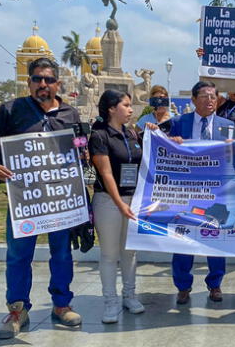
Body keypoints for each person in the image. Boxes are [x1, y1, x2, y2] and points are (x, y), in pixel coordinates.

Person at [0, 57, 82, 339]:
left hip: (60, 200)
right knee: (18, 256)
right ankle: (17, 309)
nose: (43, 84)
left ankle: (61, 305)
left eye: (48, 79)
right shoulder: (11, 110)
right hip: (25, 201)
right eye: (37, 78)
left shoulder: (70, 114)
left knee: (62, 253)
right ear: (29, 82)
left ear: (57, 83)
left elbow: (79, 144)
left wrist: (81, 152)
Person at [165, 81, 234, 304]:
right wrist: (170, 142)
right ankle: (183, 286)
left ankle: (215, 284)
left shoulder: (227, 125)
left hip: (217, 193)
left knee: (215, 239)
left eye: (214, 95)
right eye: (204, 95)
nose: (210, 99)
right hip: (187, 192)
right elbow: (163, 150)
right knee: (183, 239)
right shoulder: (178, 122)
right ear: (193, 100)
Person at [88, 90, 145, 323]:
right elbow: (106, 173)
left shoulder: (131, 133)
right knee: (110, 254)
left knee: (129, 252)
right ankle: (110, 301)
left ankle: (129, 295)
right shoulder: (100, 135)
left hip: (132, 200)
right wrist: (120, 204)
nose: (131, 110)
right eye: (127, 105)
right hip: (109, 202)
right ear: (112, 108)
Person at [196, 47, 235, 130]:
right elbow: (207, 86)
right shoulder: (221, 102)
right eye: (233, 86)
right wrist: (204, 58)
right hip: (222, 141)